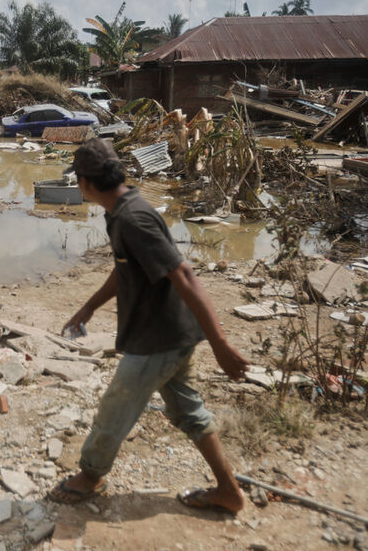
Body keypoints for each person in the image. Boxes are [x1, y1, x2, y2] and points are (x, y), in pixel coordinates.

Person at [48, 138, 249, 514]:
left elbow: (185, 275)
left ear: (84, 182)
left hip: (157, 341)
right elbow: (125, 267)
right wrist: (88, 308)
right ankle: (229, 490)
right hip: (171, 334)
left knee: (115, 409)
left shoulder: (132, 218)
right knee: (189, 413)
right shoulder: (120, 210)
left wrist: (220, 344)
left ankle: (89, 476)